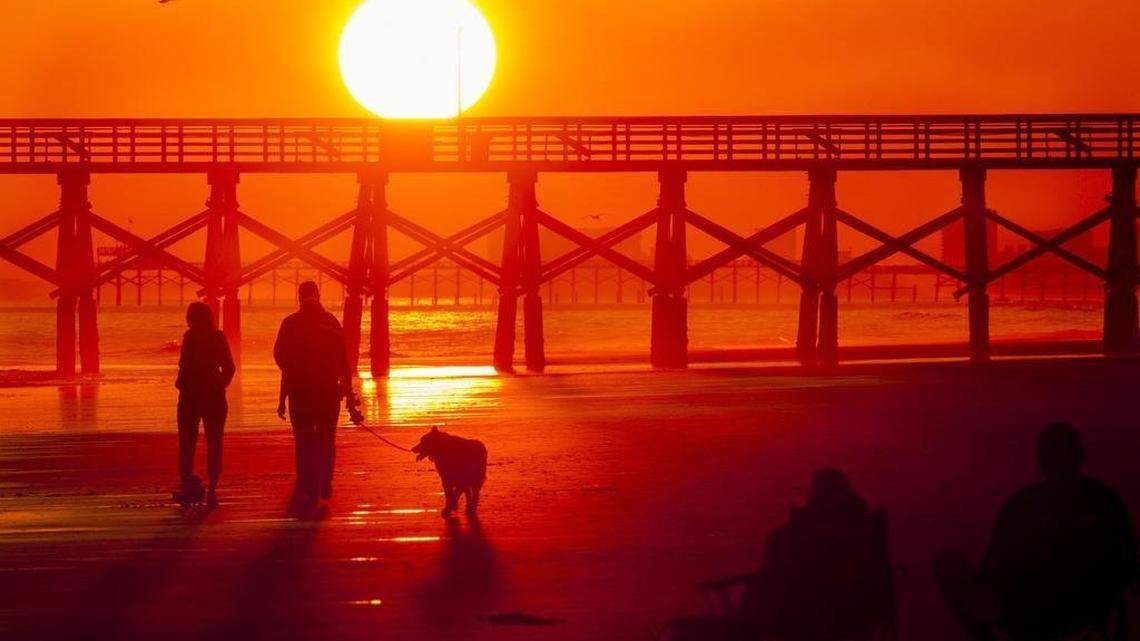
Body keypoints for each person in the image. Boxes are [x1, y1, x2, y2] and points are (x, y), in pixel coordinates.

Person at [935, 422, 1138, 641]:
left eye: (1064, 449)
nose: (1059, 458)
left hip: (1072, 615)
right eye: (1053, 450)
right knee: (949, 565)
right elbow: (995, 567)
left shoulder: (1102, 503)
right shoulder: (1022, 505)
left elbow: (1127, 567)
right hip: (1027, 613)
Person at [670, 469, 894, 641]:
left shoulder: (798, 540)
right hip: (829, 616)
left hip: (805, 619)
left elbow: (785, 581)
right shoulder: (864, 535)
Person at [274, 281, 362, 508]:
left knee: (303, 441)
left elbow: (283, 362)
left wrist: (282, 397)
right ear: (318, 297)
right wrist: (350, 398)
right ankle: (325, 481)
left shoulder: (290, 324)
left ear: (300, 298)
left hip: (300, 392)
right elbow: (345, 364)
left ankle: (307, 483)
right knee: (327, 438)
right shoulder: (331, 323)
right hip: (327, 392)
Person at [173, 301, 235, 509]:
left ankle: (187, 486)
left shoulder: (190, 337)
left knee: (187, 444)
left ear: (193, 319)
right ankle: (212, 492)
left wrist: (182, 384)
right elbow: (230, 367)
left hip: (190, 396)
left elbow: (185, 365)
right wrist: (220, 384)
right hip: (214, 397)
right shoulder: (218, 337)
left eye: (190, 318)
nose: (189, 322)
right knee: (214, 444)